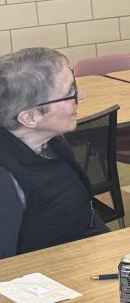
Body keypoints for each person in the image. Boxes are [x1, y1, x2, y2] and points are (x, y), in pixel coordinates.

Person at [0, 47, 107, 259]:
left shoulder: (53, 143)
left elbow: (83, 216)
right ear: (30, 118)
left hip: (82, 262)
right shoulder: (5, 179)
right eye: (70, 93)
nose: (81, 95)